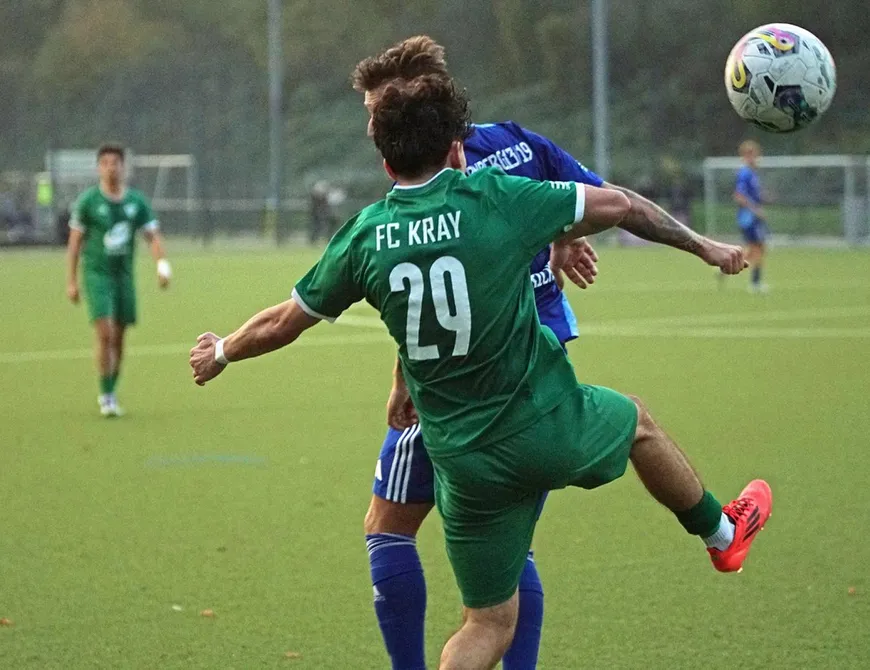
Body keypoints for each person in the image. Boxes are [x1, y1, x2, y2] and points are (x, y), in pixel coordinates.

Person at [189, 76, 770, 670]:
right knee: (639, 424)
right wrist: (693, 245)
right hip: (544, 424)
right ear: (455, 148)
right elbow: (621, 206)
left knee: (487, 623)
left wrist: (222, 352)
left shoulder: (364, 236)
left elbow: (284, 321)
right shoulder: (496, 197)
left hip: (463, 462)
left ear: (387, 164)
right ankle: (722, 536)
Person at [351, 35, 727, 670]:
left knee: (389, 528)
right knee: (511, 543)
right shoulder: (520, 142)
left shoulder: (438, 172)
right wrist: (563, 238)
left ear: (418, 99)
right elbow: (595, 202)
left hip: (468, 380)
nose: (372, 124)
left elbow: (441, 298)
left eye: (377, 106)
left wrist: (401, 381)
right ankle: (719, 531)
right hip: (539, 360)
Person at [66, 144, 172, 416]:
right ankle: (106, 395)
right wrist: (72, 281)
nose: (111, 167)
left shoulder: (136, 202)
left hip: (123, 277)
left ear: (123, 167)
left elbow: (152, 236)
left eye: (116, 162)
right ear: (99, 167)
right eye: (106, 163)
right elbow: (75, 242)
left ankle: (112, 388)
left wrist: (162, 265)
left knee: (120, 336)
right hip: (96, 275)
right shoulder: (89, 202)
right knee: (105, 333)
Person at [734, 140, 768, 293]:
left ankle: (726, 266)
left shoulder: (752, 174)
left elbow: (751, 195)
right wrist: (755, 210)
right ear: (745, 156)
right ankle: (755, 283)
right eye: (751, 155)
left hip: (752, 216)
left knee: (756, 248)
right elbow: (739, 196)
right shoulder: (745, 173)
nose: (754, 158)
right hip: (748, 217)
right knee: (758, 247)